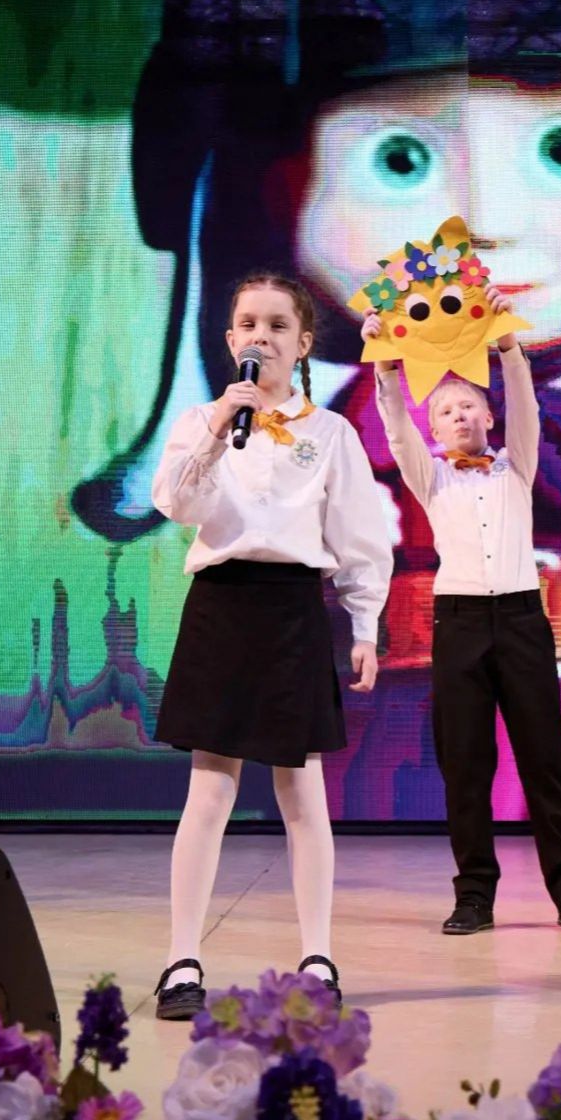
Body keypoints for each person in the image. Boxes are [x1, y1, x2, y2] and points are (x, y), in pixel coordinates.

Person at [151, 273, 392, 1019]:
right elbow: (176, 502)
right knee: (209, 790)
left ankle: (317, 955)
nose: (262, 336)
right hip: (221, 605)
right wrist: (222, 426)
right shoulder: (203, 420)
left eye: (278, 325)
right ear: (231, 341)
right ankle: (181, 959)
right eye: (249, 324)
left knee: (302, 789)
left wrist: (365, 625)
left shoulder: (332, 433)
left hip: (292, 610)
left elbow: (359, 537)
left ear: (304, 342)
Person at [366, 289, 561, 936]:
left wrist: (506, 344)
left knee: (545, 760)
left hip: (524, 621)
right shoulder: (432, 478)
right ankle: (473, 895)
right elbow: (396, 428)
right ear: (436, 429)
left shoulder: (515, 467)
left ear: (488, 416)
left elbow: (527, 406)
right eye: (445, 410)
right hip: (460, 624)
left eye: (468, 405)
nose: (458, 414)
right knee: (466, 765)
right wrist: (385, 363)